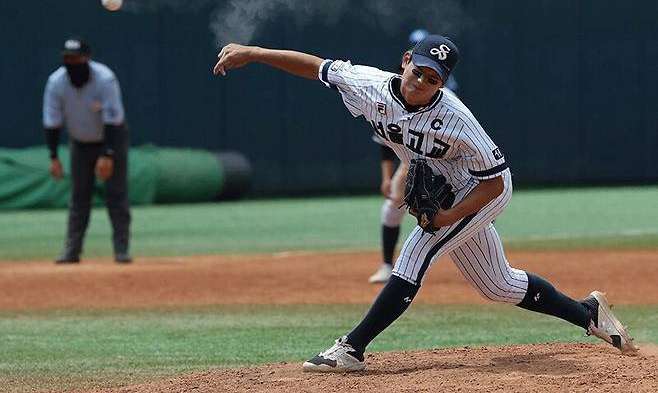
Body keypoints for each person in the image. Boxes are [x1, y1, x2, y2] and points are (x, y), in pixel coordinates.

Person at [212, 35, 637, 373]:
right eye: (419, 71)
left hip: (479, 189)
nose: (422, 82)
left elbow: (492, 183)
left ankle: (352, 348)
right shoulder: (370, 85)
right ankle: (588, 312)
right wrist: (253, 52)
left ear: (443, 83)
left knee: (417, 251)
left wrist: (450, 214)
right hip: (447, 184)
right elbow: (316, 67)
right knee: (499, 285)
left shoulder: (457, 120)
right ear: (405, 62)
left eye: (433, 78)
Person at [369, 29, 459, 283]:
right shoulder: (395, 88)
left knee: (470, 207)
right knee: (392, 207)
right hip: (411, 161)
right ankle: (387, 265)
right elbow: (385, 140)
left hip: (449, 161)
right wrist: (386, 177)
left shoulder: (444, 92)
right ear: (408, 57)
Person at [43, 37, 132, 264]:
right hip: (80, 143)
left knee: (116, 194)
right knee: (79, 196)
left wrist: (107, 154)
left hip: (111, 140)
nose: (71, 62)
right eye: (67, 58)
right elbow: (52, 122)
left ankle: (121, 250)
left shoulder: (105, 79)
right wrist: (53, 156)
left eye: (76, 58)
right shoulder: (56, 82)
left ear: (86, 59)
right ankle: (71, 251)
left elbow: (113, 119)